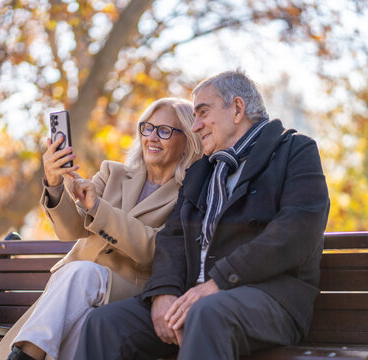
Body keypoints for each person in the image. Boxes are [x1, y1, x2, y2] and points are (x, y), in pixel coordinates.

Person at [74, 70, 330, 359]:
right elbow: (173, 238)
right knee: (106, 323)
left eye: (203, 112)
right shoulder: (202, 171)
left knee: (206, 313)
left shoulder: (294, 151)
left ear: (237, 109)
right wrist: (162, 293)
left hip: (272, 299)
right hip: (196, 299)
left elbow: (296, 232)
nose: (195, 126)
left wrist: (220, 281)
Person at [0, 97, 202, 360]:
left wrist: (98, 209)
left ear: (186, 141)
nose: (152, 137)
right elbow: (71, 232)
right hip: (75, 293)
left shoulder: (186, 195)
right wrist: (54, 183)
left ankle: (24, 356)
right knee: (84, 323)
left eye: (164, 131)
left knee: (83, 274)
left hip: (129, 291)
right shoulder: (113, 173)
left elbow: (156, 249)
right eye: (148, 128)